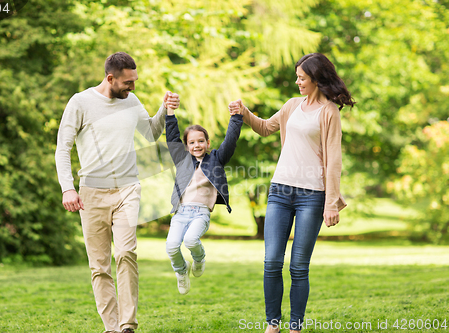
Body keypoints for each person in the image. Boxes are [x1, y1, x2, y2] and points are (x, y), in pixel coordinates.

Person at [229, 53, 355, 333]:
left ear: (316, 80)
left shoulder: (329, 112)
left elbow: (334, 159)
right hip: (280, 191)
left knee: (298, 266)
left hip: (313, 196)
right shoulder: (291, 106)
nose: (297, 81)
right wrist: (244, 111)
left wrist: (331, 203)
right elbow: (264, 128)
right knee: (272, 261)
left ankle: (295, 327)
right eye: (297, 76)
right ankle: (272, 325)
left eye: (302, 77)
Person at [55, 52, 180, 333]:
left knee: (126, 253)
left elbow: (150, 133)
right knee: (99, 266)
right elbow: (63, 148)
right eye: (127, 82)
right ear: (110, 78)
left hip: (127, 188)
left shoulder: (131, 101)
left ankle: (127, 325)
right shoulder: (81, 102)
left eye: (134, 81)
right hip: (91, 194)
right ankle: (111, 328)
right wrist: (67, 189)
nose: (132, 87)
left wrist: (164, 109)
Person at [164, 100, 243, 295]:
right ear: (186, 146)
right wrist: (170, 112)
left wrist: (236, 117)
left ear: (208, 143)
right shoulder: (182, 160)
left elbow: (230, 141)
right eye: (191, 142)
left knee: (191, 240)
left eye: (201, 141)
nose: (196, 145)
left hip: (200, 214)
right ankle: (181, 272)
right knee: (172, 246)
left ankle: (199, 259)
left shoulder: (216, 158)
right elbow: (172, 137)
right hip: (180, 213)